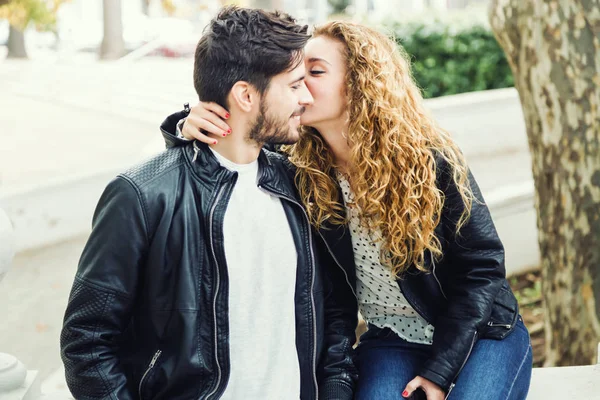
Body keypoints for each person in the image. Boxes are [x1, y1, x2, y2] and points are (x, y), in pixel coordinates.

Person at [163, 20, 533, 400]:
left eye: (316, 71)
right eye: (295, 73)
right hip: (392, 338)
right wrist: (183, 128)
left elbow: (483, 267)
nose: (299, 85)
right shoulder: (300, 171)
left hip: (481, 334)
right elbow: (237, 146)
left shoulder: (430, 162)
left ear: (360, 82)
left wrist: (440, 372)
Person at [60, 7, 357, 400]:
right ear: (246, 95)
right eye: (294, 85)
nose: (306, 97)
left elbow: (335, 312)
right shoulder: (142, 196)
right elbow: (87, 342)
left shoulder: (304, 186)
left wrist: (335, 390)